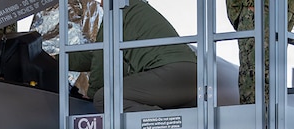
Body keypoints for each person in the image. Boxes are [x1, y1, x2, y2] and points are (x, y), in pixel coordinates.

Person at [67, 0, 197, 112]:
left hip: (170, 74)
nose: (101, 5)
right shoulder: (136, 11)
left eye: (101, 1)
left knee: (104, 98)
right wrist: (61, 59)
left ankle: (163, 123)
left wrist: (93, 93)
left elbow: (103, 56)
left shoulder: (118, 10)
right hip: (193, 77)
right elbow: (97, 53)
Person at [227, 0, 294, 105]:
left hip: (273, 7)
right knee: (261, 69)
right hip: (271, 7)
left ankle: (262, 115)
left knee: (262, 70)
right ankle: (263, 115)